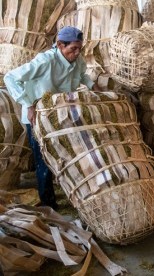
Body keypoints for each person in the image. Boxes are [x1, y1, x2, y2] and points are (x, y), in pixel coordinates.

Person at [4, 26, 101, 210]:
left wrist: (96, 90)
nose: (76, 53)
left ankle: (72, 193)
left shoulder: (78, 60)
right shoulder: (45, 61)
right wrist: (28, 104)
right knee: (44, 159)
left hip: (61, 114)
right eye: (72, 49)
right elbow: (11, 77)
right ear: (59, 45)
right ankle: (48, 204)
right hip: (38, 116)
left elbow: (82, 76)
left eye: (79, 48)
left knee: (65, 155)